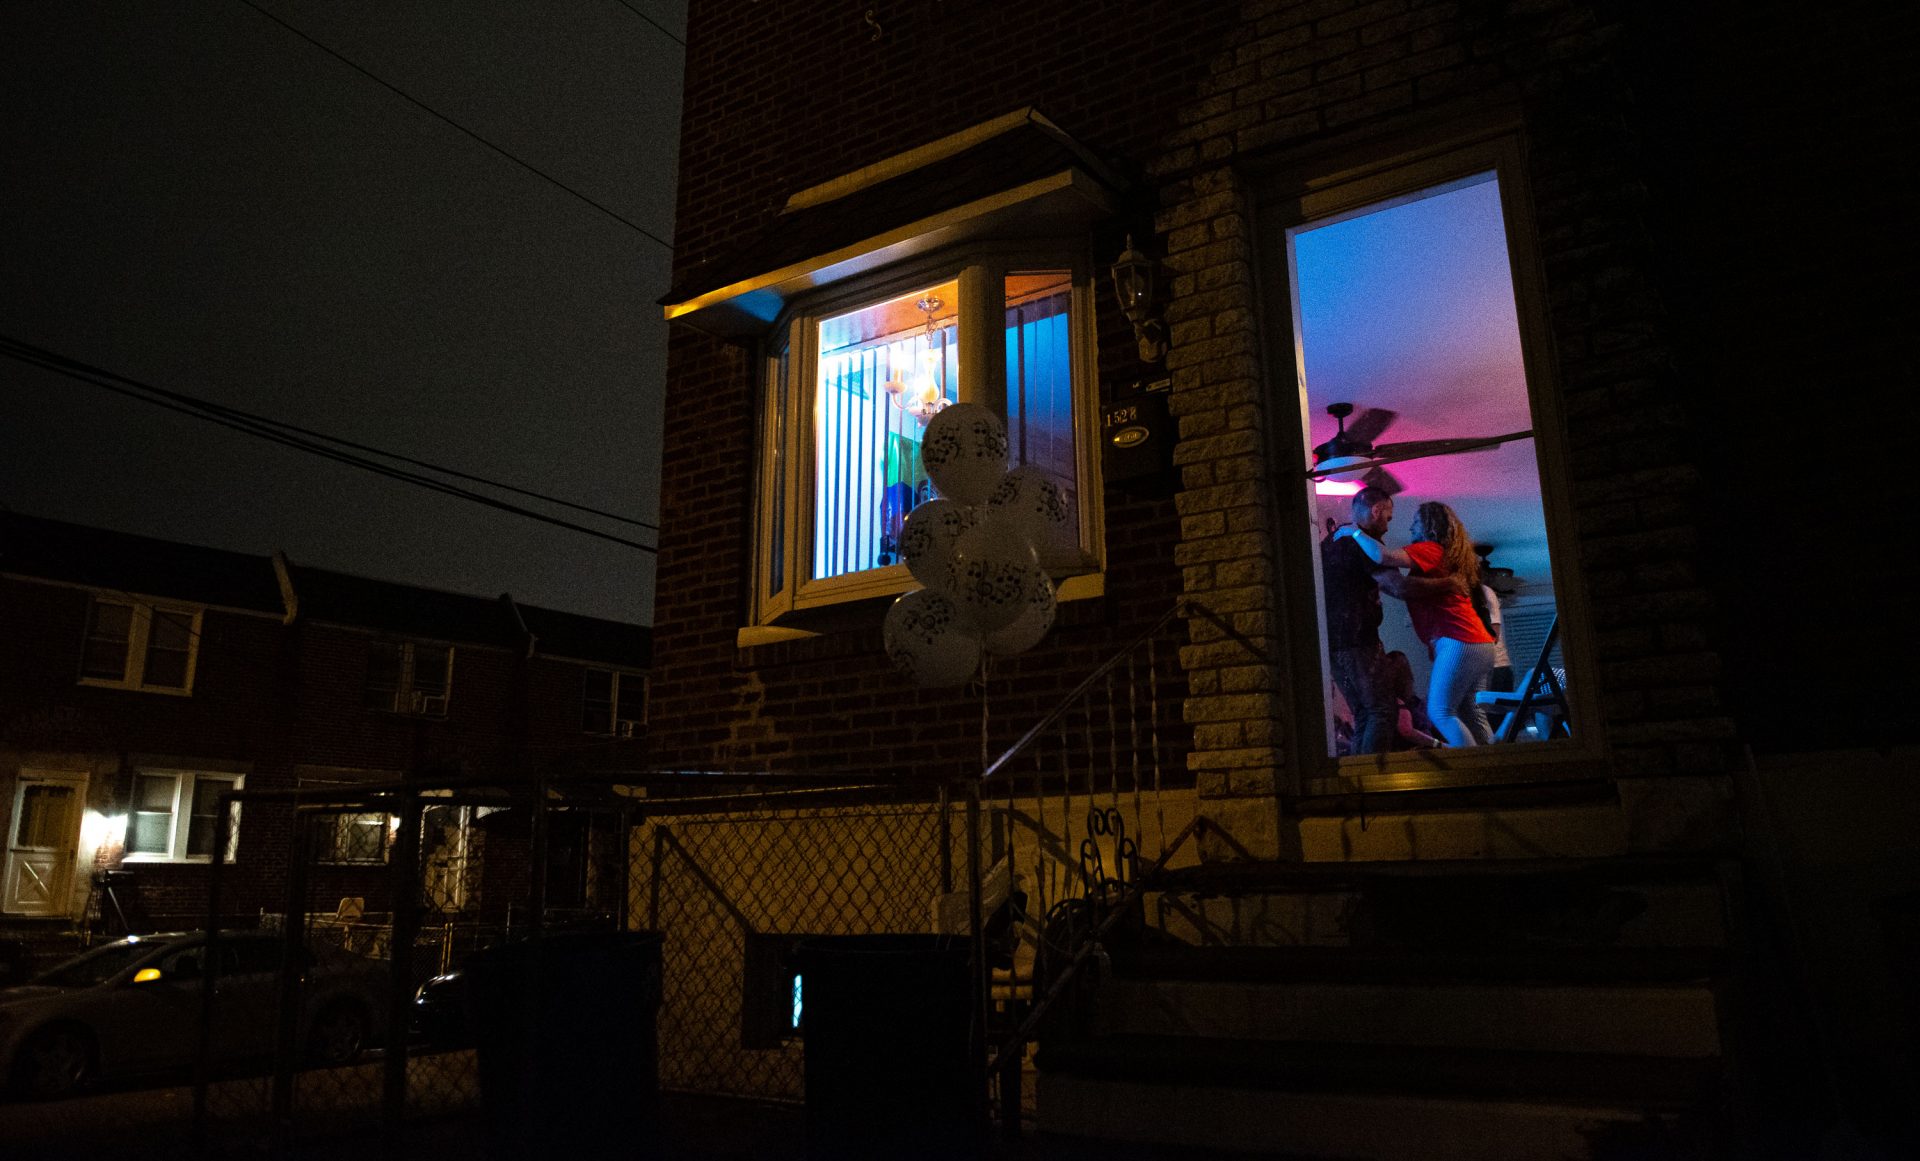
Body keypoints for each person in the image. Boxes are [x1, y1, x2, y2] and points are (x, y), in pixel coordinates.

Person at [1321, 488, 1467, 755]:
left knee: (1364, 712)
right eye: (1388, 518)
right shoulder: (1362, 542)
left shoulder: (1331, 542)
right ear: (1375, 511)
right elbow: (1398, 587)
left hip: (1330, 642)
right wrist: (1448, 584)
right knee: (1382, 709)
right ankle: (1373, 781)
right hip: (1357, 638)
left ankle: (1360, 778)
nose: (1388, 527)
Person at [1344, 500, 1497, 747]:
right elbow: (1408, 589)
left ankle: (1472, 766)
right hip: (1480, 644)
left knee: (1440, 711)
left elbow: (1382, 556)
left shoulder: (1430, 549)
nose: (1411, 527)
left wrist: (1352, 531)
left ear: (1428, 525)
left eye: (1415, 522)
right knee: (1469, 710)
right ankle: (1491, 759)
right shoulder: (1448, 556)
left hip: (1460, 641)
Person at [1384, 650, 1441, 749]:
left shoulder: (1412, 702)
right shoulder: (1397, 703)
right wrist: (1439, 744)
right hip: (1415, 752)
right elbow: (1407, 731)